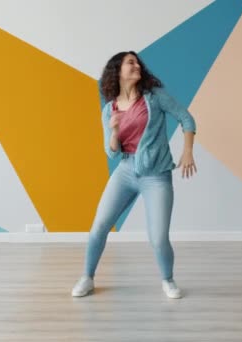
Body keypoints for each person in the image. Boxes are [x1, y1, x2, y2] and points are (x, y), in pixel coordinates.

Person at [71, 51, 197, 299]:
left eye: (137, 62)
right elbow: (111, 152)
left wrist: (188, 151)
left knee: (158, 238)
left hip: (156, 176)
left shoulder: (154, 98)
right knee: (98, 227)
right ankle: (87, 277)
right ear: (117, 71)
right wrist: (114, 131)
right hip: (126, 172)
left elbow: (186, 118)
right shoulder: (109, 109)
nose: (137, 65)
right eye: (131, 62)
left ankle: (168, 280)